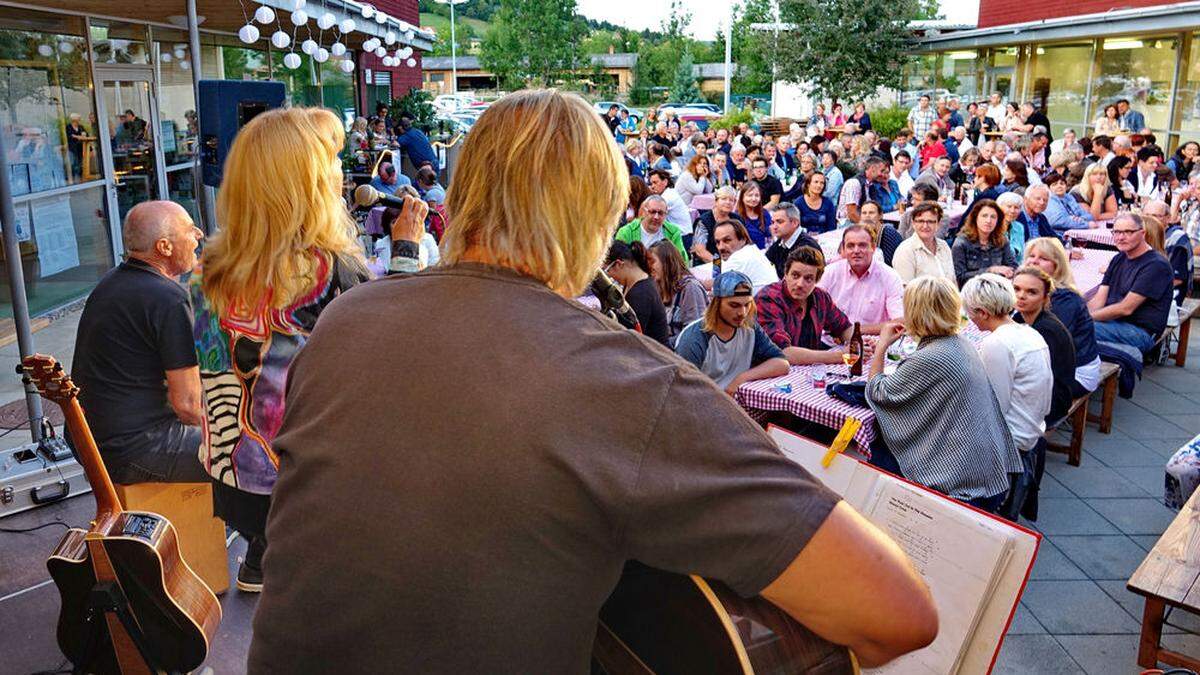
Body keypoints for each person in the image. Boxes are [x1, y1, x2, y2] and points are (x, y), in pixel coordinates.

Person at [249, 91, 937, 672]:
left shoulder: (343, 320)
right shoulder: (627, 384)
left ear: (459, 194)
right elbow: (902, 613)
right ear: (602, 218)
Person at [191, 108, 377, 593]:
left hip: (232, 476)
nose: (340, 171)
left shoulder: (206, 271)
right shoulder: (332, 272)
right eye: (330, 161)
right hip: (307, 488)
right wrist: (403, 252)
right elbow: (391, 365)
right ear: (309, 184)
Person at [71, 201, 207, 486]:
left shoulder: (110, 283)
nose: (198, 235)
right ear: (164, 247)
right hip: (138, 448)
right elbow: (189, 407)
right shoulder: (168, 299)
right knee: (259, 452)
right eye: (189, 229)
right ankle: (265, 529)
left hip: (93, 443)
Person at [865, 276, 1021, 512]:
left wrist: (881, 346)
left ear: (916, 312)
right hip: (988, 466)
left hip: (961, 477)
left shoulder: (932, 355)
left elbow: (878, 391)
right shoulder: (961, 342)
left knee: (872, 451)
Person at [961, 273, 1052, 455]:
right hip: (1031, 427)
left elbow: (992, 406)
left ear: (983, 313)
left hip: (1012, 438)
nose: (970, 319)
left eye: (971, 313)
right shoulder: (1029, 332)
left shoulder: (997, 343)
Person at [676, 271, 791, 394]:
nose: (742, 312)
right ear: (716, 303)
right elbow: (683, 390)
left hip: (736, 400)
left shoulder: (749, 327)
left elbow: (781, 363)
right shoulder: (694, 338)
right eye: (734, 305)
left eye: (747, 305)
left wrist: (741, 378)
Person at [1023, 238, 1102, 397]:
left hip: (1076, 373)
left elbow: (1050, 346)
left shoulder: (1065, 299)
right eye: (1031, 256)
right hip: (1052, 364)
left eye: (1043, 258)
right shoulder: (1031, 290)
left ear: (1057, 266)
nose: (1034, 262)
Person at [1088, 213, 1175, 353]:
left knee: (1078, 329)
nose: (1121, 237)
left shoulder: (1156, 265)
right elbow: (1099, 300)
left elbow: (1125, 308)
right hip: (1114, 323)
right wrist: (1080, 314)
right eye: (1116, 232)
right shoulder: (1118, 258)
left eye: (1128, 232)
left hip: (1140, 332)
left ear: (1142, 233)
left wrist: (1085, 318)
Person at [755, 246, 854, 365]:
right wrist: (839, 356)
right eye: (795, 275)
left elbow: (844, 326)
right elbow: (782, 352)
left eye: (808, 279)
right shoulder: (768, 299)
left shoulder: (820, 297)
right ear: (785, 274)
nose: (800, 284)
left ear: (816, 281)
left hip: (809, 372)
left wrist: (856, 343)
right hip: (769, 374)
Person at [1011, 267, 1077, 425]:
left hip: (1052, 401)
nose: (1021, 296)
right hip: (1037, 391)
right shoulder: (1020, 317)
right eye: (1016, 289)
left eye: (1031, 292)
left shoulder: (1046, 330)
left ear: (1045, 299)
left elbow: (1039, 380)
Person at [817, 225, 905, 333]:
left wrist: (854, 331)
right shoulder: (830, 273)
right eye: (850, 246)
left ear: (873, 248)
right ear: (843, 249)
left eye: (862, 245)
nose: (856, 250)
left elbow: (899, 322)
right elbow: (814, 311)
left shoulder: (890, 277)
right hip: (831, 342)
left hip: (872, 344)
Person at [604, 241, 670, 346]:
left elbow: (628, 338)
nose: (610, 276)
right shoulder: (634, 284)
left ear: (619, 264)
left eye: (607, 271)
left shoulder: (641, 294)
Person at [648, 240, 707, 347]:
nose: (649, 267)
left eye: (652, 262)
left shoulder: (690, 288)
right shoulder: (657, 286)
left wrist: (660, 345)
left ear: (667, 261)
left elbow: (694, 334)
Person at [953, 199, 1016, 286]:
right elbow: (959, 278)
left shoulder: (1002, 240)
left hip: (998, 290)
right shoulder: (961, 243)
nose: (988, 221)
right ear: (976, 218)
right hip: (971, 293)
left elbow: (1013, 266)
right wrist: (990, 270)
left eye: (993, 217)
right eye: (984, 216)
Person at [891, 202, 955, 284]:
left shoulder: (944, 246)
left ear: (937, 225)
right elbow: (905, 292)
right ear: (913, 224)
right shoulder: (905, 251)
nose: (925, 226)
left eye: (930, 222)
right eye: (920, 221)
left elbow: (953, 281)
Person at [709, 219, 778, 294]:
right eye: (717, 242)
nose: (720, 247)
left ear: (743, 239)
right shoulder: (751, 250)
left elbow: (719, 295)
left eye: (727, 240)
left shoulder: (738, 259)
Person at [614, 195, 688, 262]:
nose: (656, 217)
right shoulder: (626, 232)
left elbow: (682, 261)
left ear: (665, 215)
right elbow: (619, 263)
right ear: (644, 212)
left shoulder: (673, 232)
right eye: (652, 212)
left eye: (661, 213)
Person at [765, 201, 821, 277]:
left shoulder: (807, 247)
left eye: (779, 222)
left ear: (794, 223)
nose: (774, 227)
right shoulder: (782, 240)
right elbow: (765, 261)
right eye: (772, 222)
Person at [692, 185, 742, 263]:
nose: (728, 202)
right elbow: (700, 252)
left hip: (734, 261)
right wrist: (720, 264)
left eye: (731, 200)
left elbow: (743, 242)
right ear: (716, 201)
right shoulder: (703, 221)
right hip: (709, 264)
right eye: (724, 199)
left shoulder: (737, 219)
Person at [646, 169, 693, 247]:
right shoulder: (668, 193)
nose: (652, 186)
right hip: (679, 234)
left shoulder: (668, 196)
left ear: (665, 182)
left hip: (683, 237)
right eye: (651, 184)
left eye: (655, 182)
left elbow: (647, 212)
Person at [736, 180, 772, 248]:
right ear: (742, 197)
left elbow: (770, 235)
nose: (753, 199)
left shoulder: (764, 213)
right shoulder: (737, 216)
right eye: (749, 195)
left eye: (757, 195)